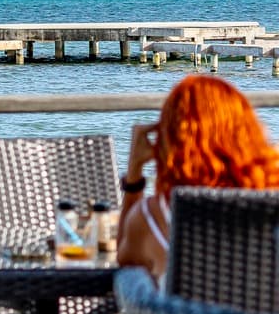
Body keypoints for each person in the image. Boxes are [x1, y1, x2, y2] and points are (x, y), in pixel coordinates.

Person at [118, 73, 279, 278]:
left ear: (171, 138)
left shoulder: (152, 216)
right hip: (265, 310)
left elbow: (126, 266)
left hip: (186, 311)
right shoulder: (270, 200)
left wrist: (134, 175)